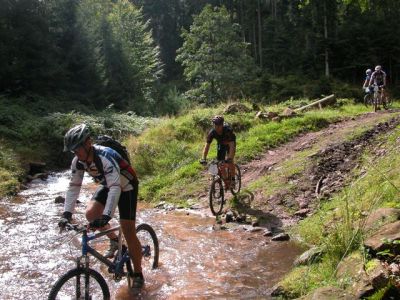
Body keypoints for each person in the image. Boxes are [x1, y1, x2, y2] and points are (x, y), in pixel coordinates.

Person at [58, 124, 144, 288]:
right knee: (91, 214)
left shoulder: (105, 157)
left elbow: (116, 187)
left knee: (128, 230)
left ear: (88, 143)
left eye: (77, 149)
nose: (76, 154)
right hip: (108, 184)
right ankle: (116, 241)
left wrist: (106, 215)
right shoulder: (78, 161)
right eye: (73, 151)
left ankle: (138, 272)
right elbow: (74, 186)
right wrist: (66, 214)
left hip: (127, 186)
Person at [200, 115, 236, 189]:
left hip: (230, 143)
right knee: (221, 164)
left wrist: (229, 158)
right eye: (215, 125)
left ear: (222, 124)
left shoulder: (228, 130)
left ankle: (233, 179)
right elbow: (207, 146)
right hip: (221, 145)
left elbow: (232, 145)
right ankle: (226, 181)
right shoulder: (212, 132)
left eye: (219, 125)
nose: (217, 127)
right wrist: (203, 158)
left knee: (230, 161)